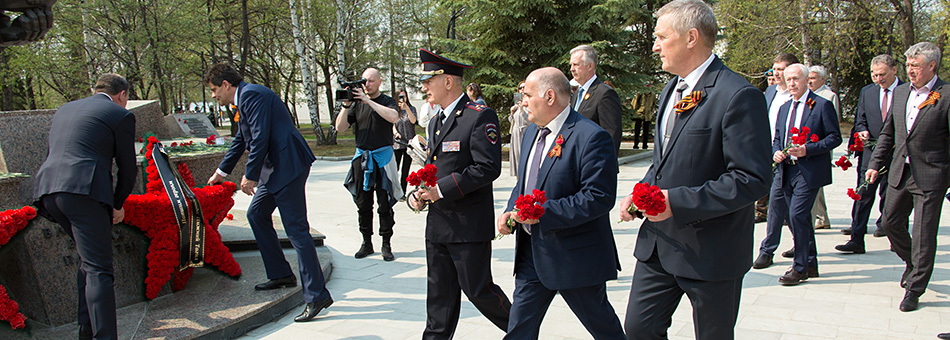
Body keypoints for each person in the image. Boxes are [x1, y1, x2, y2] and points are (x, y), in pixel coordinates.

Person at [619, 1, 771, 338]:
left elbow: (752, 179)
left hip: (711, 250)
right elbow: (665, 161)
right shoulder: (670, 89)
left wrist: (676, 201)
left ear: (691, 37)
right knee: (638, 330)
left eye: (661, 37)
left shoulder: (738, 95)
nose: (655, 45)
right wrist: (641, 191)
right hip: (658, 246)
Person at [496, 67, 625, 339]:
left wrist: (542, 213)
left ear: (550, 96)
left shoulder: (590, 137)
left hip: (574, 256)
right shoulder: (532, 132)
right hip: (532, 253)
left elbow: (599, 197)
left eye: (528, 95)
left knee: (604, 328)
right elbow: (526, 182)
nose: (523, 102)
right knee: (519, 329)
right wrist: (510, 209)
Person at [204, 63, 332, 322]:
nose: (214, 95)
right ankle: (281, 274)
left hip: (287, 166)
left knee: (297, 231)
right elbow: (243, 139)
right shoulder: (244, 100)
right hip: (275, 170)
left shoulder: (251, 94)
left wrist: (250, 175)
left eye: (215, 89)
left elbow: (261, 137)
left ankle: (316, 295)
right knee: (257, 214)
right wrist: (221, 172)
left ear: (226, 85)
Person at [410, 48, 511, 339]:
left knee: (481, 292)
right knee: (439, 301)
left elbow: (487, 168)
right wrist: (421, 193)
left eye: (429, 81)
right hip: (439, 225)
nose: (424, 87)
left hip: (467, 227)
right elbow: (435, 168)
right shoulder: (434, 122)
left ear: (448, 82)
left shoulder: (479, 116)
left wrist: (441, 190)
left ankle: (522, 330)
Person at [33, 73, 136, 340]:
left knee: (88, 262)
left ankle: (86, 330)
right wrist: (117, 204)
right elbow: (127, 168)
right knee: (100, 269)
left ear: (94, 89)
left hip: (48, 192)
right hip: (84, 192)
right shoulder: (119, 114)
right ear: (122, 95)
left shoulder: (64, 109)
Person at [866, 42, 950, 312]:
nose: (910, 71)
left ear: (931, 66)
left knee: (924, 234)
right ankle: (914, 263)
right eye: (909, 65)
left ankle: (914, 288)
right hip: (900, 172)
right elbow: (888, 134)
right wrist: (875, 164)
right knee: (890, 224)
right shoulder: (902, 93)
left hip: (931, 175)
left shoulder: (945, 95)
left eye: (916, 66)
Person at [771, 63, 841, 285]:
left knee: (798, 215)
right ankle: (810, 263)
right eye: (788, 79)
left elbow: (834, 137)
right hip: (787, 170)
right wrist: (776, 153)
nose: (791, 83)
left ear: (806, 80)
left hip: (808, 170)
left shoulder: (821, 105)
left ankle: (799, 268)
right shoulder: (784, 108)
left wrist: (807, 150)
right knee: (796, 218)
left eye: (796, 79)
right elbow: (777, 139)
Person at [836, 54, 904, 251]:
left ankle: (896, 239)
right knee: (863, 194)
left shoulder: (905, 91)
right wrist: (861, 130)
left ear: (894, 70)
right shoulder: (868, 92)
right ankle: (856, 239)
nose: (878, 79)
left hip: (896, 153)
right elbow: (860, 118)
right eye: (874, 75)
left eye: (882, 74)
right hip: (870, 153)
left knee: (893, 197)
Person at [336, 68, 402, 261]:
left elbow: (393, 117)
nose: (367, 85)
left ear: (380, 81)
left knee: (385, 203)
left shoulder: (387, 101)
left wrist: (367, 100)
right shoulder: (356, 105)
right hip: (362, 158)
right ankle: (366, 242)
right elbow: (340, 128)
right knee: (363, 203)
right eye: (365, 81)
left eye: (371, 81)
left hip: (383, 158)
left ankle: (386, 244)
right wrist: (346, 105)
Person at [754, 53, 799, 226]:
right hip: (768, 148)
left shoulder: (796, 93)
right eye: (775, 69)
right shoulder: (771, 91)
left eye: (781, 69)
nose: (776, 73)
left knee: (788, 200)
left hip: (788, 152)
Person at [569, 44, 623, 153]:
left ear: (590, 66)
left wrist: (603, 165)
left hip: (594, 160)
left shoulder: (605, 93)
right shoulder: (576, 93)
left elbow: (611, 134)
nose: (571, 69)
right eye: (571, 65)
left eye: (576, 65)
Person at [393, 88, 418, 195]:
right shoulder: (394, 110)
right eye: (400, 96)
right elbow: (392, 123)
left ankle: (402, 192)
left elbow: (413, 121)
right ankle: (394, 190)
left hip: (409, 142)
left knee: (405, 170)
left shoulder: (411, 109)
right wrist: (395, 133)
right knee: (395, 168)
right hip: (398, 143)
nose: (402, 99)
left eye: (404, 96)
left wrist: (407, 108)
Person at [508, 82, 530, 176]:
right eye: (520, 88)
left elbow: (529, 121)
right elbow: (512, 121)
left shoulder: (529, 103)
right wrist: (512, 113)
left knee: (524, 159)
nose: (522, 89)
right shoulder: (517, 103)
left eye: (524, 87)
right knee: (516, 160)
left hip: (525, 132)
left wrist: (522, 109)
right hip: (516, 133)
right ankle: (518, 183)